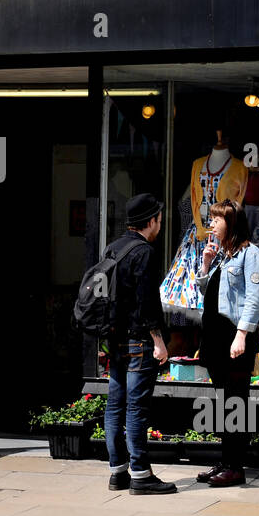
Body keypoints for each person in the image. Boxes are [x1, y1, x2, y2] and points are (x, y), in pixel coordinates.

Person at [104, 193, 178, 495]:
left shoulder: (114, 248)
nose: (160, 224)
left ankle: (117, 472)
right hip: (139, 341)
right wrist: (159, 341)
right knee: (136, 407)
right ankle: (141, 475)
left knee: (115, 405)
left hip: (115, 339)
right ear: (150, 221)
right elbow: (147, 303)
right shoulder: (144, 253)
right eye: (159, 219)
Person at [197, 198, 259, 487]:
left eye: (217, 219)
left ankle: (236, 467)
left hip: (233, 337)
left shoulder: (251, 254)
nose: (212, 223)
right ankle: (225, 462)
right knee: (223, 402)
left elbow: (254, 297)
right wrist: (206, 264)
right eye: (211, 218)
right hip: (214, 338)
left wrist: (241, 334)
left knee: (235, 402)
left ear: (231, 222)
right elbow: (207, 292)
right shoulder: (223, 255)